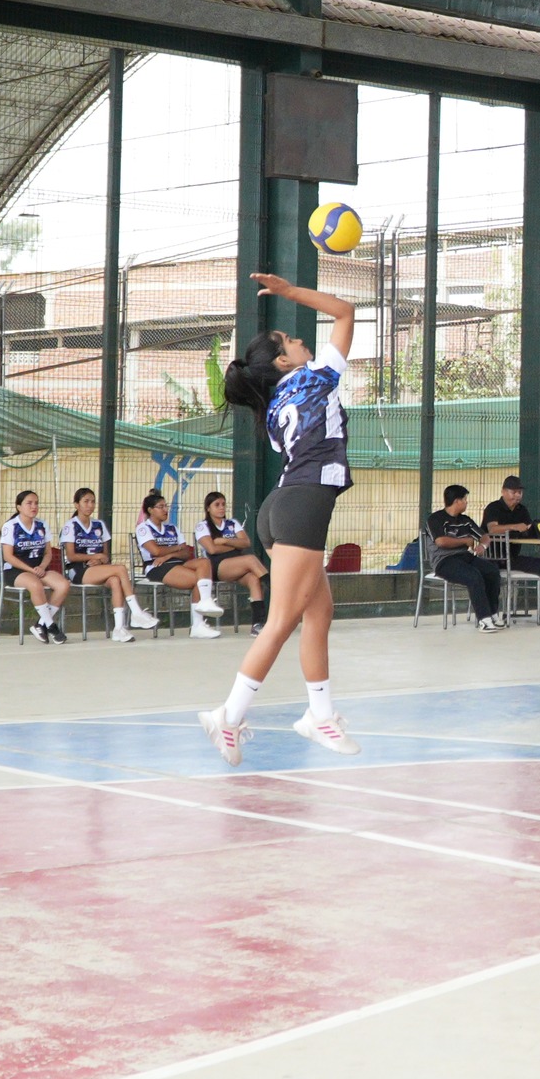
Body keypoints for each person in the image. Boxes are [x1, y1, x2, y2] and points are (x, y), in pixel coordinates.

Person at [200, 272, 361, 766]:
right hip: (303, 505)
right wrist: (291, 292)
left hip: (284, 506)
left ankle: (319, 715)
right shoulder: (314, 377)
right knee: (280, 622)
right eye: (289, 339)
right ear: (282, 361)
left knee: (319, 613)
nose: (298, 338)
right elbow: (345, 312)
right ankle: (228, 715)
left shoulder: (273, 411)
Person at [60, 487, 158, 641]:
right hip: (78, 570)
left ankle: (119, 628)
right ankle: (136, 611)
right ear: (76, 505)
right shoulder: (70, 526)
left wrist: (99, 559)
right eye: (86, 501)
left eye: (93, 502)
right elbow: (71, 556)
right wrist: (92, 556)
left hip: (98, 568)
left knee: (115, 580)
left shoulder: (99, 525)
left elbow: (106, 556)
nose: (90, 505)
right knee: (120, 568)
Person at [135, 492, 222, 639]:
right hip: (157, 566)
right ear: (150, 510)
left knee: (204, 562)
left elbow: (186, 552)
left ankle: (205, 603)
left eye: (166, 506)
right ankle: (197, 624)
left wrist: (169, 554)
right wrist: (176, 548)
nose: (165, 510)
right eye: (160, 507)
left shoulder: (172, 528)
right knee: (198, 581)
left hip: (177, 561)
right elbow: (155, 551)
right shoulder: (143, 528)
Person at [427, 483, 507, 632]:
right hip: (444, 562)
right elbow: (441, 542)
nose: (466, 502)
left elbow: (484, 536)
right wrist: (464, 541)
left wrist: (482, 546)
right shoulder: (435, 519)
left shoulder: (465, 520)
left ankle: (493, 613)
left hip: (465, 557)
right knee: (473, 576)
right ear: (457, 501)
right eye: (464, 499)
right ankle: (484, 620)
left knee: (492, 571)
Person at [0, 490, 70, 644]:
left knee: (63, 584)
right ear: (19, 506)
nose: (34, 506)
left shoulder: (42, 525)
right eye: (29, 503)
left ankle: (41, 624)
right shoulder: (11, 526)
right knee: (35, 584)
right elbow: (8, 556)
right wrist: (32, 570)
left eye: (36, 503)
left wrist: (42, 567)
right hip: (15, 570)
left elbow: (48, 553)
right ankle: (51, 626)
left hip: (38, 568)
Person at [194, 492, 269, 636]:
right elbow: (212, 549)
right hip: (216, 565)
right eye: (217, 505)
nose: (221, 508)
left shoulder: (232, 523)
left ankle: (257, 624)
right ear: (208, 508)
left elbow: (246, 542)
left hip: (236, 564)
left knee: (253, 579)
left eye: (223, 504)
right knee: (250, 559)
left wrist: (226, 541)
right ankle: (274, 586)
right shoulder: (202, 526)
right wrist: (236, 545)